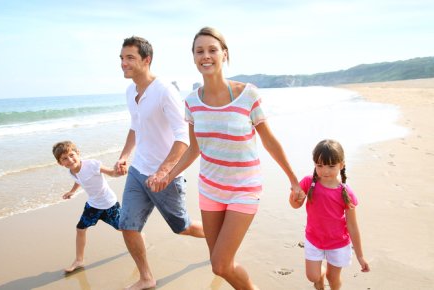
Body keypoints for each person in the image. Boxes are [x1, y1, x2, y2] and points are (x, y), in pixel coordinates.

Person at [151, 27, 303, 290]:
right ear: (194, 58)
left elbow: (269, 140)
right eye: (200, 51)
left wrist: (293, 181)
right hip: (210, 189)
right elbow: (193, 149)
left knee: (220, 264)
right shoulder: (191, 102)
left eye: (212, 50)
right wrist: (168, 175)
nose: (206, 56)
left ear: (224, 54)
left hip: (244, 189)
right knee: (220, 263)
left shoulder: (247, 94)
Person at [116, 36, 205, 290]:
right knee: (127, 225)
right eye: (122, 58)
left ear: (147, 60)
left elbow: (183, 137)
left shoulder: (165, 90)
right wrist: (124, 156)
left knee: (183, 227)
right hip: (138, 171)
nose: (124, 63)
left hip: (166, 176)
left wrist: (164, 171)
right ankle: (146, 278)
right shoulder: (130, 91)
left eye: (130, 58)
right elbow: (135, 127)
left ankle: (219, 240)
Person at [289, 139, 370, 290]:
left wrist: (360, 255)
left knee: (333, 278)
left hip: (337, 243)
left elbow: (352, 225)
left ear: (341, 164)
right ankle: (319, 283)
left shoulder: (346, 192)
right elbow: (295, 205)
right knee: (312, 276)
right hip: (314, 239)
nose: (325, 171)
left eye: (331, 166)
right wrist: (295, 197)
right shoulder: (309, 182)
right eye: (320, 165)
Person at [52, 141, 122, 273]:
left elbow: (111, 173)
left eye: (72, 155)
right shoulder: (72, 171)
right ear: (60, 163)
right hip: (93, 205)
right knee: (80, 229)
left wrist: (118, 171)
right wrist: (72, 191)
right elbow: (79, 180)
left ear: (78, 154)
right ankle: (79, 260)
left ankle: (139, 236)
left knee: (123, 229)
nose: (70, 160)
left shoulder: (92, 165)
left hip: (109, 205)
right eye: (64, 159)